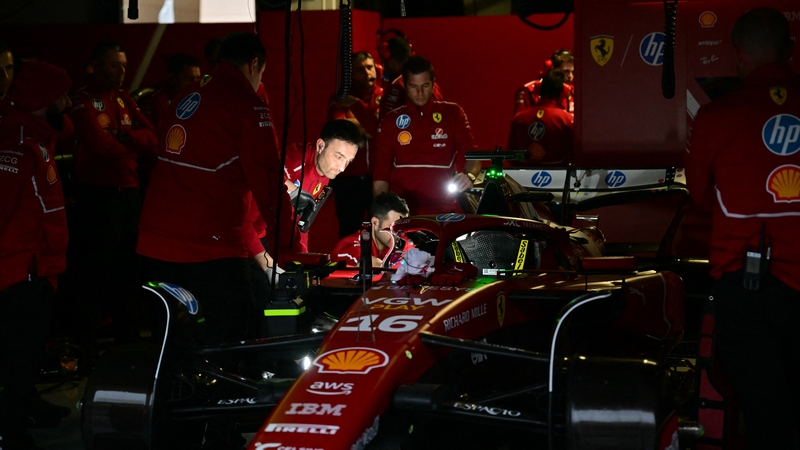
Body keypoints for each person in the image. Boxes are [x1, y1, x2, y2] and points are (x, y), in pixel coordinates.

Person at [685, 8, 800, 449]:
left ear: (736, 56)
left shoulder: (717, 117)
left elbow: (697, 196)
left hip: (748, 291)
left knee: (765, 418)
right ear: (789, 50)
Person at [137, 32, 286, 346]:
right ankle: (230, 396)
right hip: (209, 244)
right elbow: (269, 183)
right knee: (237, 333)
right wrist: (290, 246)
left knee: (171, 340)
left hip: (155, 240)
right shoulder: (247, 104)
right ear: (254, 64)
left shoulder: (187, 93)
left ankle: (174, 394)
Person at [0, 60, 72, 450]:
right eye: (61, 94)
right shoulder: (18, 142)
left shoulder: (35, 134)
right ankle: (10, 434)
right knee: (17, 361)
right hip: (19, 271)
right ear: (45, 98)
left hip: (35, 266)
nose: (68, 101)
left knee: (24, 358)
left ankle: (22, 410)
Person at [68, 39, 157, 347]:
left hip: (129, 195)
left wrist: (121, 137)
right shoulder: (80, 99)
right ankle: (84, 346)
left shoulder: (123, 99)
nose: (121, 71)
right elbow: (98, 143)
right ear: (97, 65)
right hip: (97, 197)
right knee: (95, 273)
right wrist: (130, 143)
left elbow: (153, 139)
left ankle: (128, 342)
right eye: (114, 65)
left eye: (123, 65)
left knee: (128, 273)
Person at [373, 55, 481, 215]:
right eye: (413, 86)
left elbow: (473, 156)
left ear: (433, 83)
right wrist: (382, 214)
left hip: (444, 210)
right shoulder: (390, 120)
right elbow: (380, 174)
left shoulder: (453, 113)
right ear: (404, 84)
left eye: (425, 85)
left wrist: (469, 176)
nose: (420, 92)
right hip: (402, 212)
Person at [281, 119, 363, 252]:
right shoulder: (295, 158)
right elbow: (264, 174)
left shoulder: (326, 173)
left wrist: (303, 257)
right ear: (320, 146)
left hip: (281, 242)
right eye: (339, 157)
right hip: (254, 237)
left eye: (349, 161)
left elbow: (304, 223)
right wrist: (293, 190)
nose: (342, 168)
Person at [328, 51, 383, 238]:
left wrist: (356, 107)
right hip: (348, 180)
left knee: (382, 230)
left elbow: (382, 130)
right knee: (349, 231)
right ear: (350, 73)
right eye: (360, 69)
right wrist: (372, 127)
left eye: (370, 67)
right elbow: (342, 131)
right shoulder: (340, 98)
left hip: (379, 178)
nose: (367, 72)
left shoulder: (386, 96)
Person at [507, 69, 574, 165]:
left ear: (538, 89)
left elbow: (511, 154)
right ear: (565, 91)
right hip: (560, 177)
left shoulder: (519, 118)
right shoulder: (567, 120)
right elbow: (574, 155)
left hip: (522, 177)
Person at [330, 192, 409, 267]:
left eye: (402, 229)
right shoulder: (353, 245)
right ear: (375, 223)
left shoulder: (390, 249)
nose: (400, 234)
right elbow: (366, 263)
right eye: (393, 228)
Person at [378, 34, 444, 120]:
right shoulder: (432, 84)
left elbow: (385, 124)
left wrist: (357, 105)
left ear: (391, 61)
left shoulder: (397, 86)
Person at [138, 53, 202, 131]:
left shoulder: (195, 101)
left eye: (198, 79)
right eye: (190, 80)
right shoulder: (156, 101)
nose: (196, 85)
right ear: (172, 79)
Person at [513, 48, 575, 114]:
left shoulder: (573, 92)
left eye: (573, 72)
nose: (570, 76)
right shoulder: (528, 91)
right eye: (566, 71)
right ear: (552, 70)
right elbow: (520, 121)